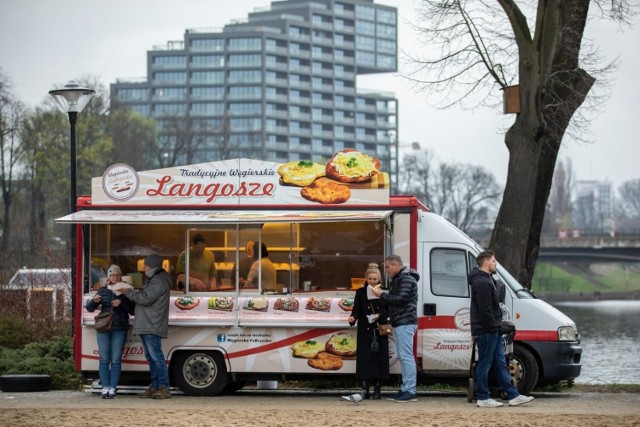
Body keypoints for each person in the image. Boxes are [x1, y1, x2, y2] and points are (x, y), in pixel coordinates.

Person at [468, 250, 534, 408]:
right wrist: (493, 327)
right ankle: (483, 397)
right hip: (487, 331)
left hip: (493, 330)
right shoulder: (482, 282)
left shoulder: (487, 279)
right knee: (484, 364)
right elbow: (485, 310)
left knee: (499, 363)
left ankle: (513, 396)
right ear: (486, 263)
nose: (495, 264)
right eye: (494, 261)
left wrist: (496, 328)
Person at [120, 254, 172, 399]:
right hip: (147, 323)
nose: (144, 268)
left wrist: (126, 291)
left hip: (152, 323)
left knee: (156, 357)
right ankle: (155, 386)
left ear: (153, 266)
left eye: (146, 265)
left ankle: (164, 387)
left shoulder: (158, 281)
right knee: (151, 357)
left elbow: (145, 298)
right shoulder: (154, 279)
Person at [372, 254, 419, 402]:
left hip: (405, 323)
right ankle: (405, 388)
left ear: (395, 265)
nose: (386, 270)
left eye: (387, 267)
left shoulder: (406, 279)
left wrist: (381, 295)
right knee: (403, 357)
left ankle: (410, 390)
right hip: (400, 322)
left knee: (406, 357)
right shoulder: (400, 279)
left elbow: (400, 300)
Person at [84, 264, 135, 399]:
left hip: (120, 328)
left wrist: (122, 303)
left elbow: (133, 310)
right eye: (112, 275)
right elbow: (89, 308)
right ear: (108, 277)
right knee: (104, 359)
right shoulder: (103, 290)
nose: (115, 277)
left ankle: (113, 388)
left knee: (116, 360)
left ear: (121, 276)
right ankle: (105, 387)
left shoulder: (127, 290)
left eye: (117, 275)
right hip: (104, 328)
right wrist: (94, 302)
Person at [345, 263, 389, 400]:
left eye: (375, 279)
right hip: (365, 329)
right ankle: (365, 389)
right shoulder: (360, 292)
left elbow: (387, 310)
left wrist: (379, 316)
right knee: (364, 360)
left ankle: (377, 389)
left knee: (379, 360)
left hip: (379, 329)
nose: (372, 281)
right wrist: (352, 318)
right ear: (366, 278)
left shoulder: (384, 291)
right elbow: (356, 309)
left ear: (379, 279)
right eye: (370, 279)